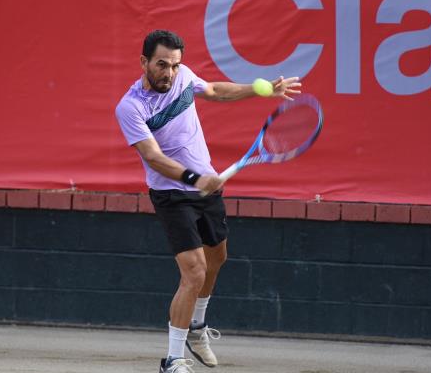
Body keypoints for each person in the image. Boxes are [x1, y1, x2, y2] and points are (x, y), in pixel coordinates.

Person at [115, 29, 300, 373]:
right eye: (161, 64)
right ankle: (173, 359)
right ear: (144, 62)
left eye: (174, 64)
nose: (168, 72)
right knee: (194, 271)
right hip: (173, 195)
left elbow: (214, 91)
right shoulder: (130, 107)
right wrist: (193, 178)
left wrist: (261, 89)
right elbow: (153, 157)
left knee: (217, 258)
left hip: (208, 190)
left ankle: (196, 328)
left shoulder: (183, 77)